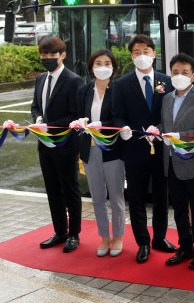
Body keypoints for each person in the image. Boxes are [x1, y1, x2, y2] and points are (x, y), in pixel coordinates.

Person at [112, 34, 177, 263]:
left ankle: (160, 237)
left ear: (154, 53)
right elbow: (116, 114)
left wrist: (159, 127)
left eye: (146, 51)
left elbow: (171, 113)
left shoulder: (167, 82)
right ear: (131, 56)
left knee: (162, 195)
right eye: (136, 52)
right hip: (134, 149)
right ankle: (143, 243)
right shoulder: (121, 84)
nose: (142, 56)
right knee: (137, 197)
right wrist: (123, 128)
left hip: (160, 149)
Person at [158, 53, 194, 270]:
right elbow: (165, 126)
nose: (179, 76)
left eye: (184, 72)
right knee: (179, 208)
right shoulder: (167, 99)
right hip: (171, 162)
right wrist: (157, 131)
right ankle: (185, 247)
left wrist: (179, 136)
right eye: (175, 72)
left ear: (193, 76)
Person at [30, 36, 83, 253]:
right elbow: (36, 107)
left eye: (52, 54)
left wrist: (50, 125)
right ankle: (60, 231)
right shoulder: (41, 79)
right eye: (44, 54)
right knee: (52, 189)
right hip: (44, 144)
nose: (47, 58)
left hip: (66, 144)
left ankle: (74, 234)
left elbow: (76, 114)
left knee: (70, 189)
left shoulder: (74, 80)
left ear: (63, 55)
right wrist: (38, 121)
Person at [75, 49, 125, 257]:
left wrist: (101, 125)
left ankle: (118, 236)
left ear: (113, 68)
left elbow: (120, 119)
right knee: (97, 197)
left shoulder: (119, 90)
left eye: (107, 63)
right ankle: (104, 236)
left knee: (116, 196)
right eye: (98, 63)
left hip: (112, 150)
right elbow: (79, 116)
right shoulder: (84, 91)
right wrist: (79, 124)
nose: (102, 67)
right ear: (91, 67)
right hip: (90, 150)